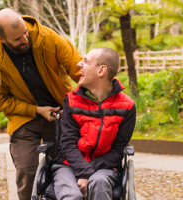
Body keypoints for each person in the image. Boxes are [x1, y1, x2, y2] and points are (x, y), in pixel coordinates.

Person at [0, 8, 82, 199]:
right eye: (17, 39)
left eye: (25, 33)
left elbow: (79, 68)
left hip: (59, 112)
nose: (25, 40)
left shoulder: (46, 37)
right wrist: (35, 110)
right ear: (3, 39)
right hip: (24, 119)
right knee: (27, 171)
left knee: (62, 168)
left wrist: (100, 93)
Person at [51, 47, 136, 200]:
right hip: (67, 165)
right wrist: (84, 171)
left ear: (101, 71)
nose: (78, 64)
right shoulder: (71, 100)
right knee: (71, 195)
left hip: (105, 167)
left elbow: (118, 150)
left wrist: (89, 171)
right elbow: (67, 143)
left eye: (86, 61)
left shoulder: (127, 106)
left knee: (99, 182)